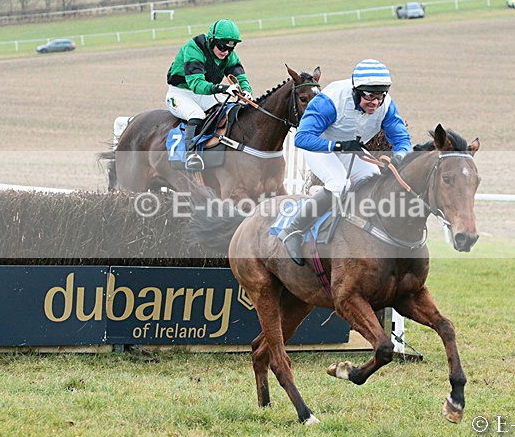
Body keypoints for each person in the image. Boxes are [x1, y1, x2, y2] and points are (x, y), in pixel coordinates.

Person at [278, 59, 412, 266]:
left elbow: (401, 139)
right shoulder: (330, 101)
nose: (375, 103)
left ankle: (356, 229)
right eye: (369, 96)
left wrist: (399, 157)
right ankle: (292, 230)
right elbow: (302, 138)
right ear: (356, 91)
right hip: (320, 146)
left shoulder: (386, 105)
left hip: (349, 147)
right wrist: (338, 145)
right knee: (339, 183)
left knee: (373, 179)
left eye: (380, 96)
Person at [165, 19, 254, 171]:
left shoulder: (228, 54)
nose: (225, 52)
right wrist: (222, 88)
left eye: (230, 48)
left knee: (231, 108)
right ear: (212, 40)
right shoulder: (194, 48)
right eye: (222, 46)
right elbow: (196, 84)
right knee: (196, 114)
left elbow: (239, 75)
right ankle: (190, 155)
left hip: (205, 93)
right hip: (180, 93)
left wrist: (246, 90)